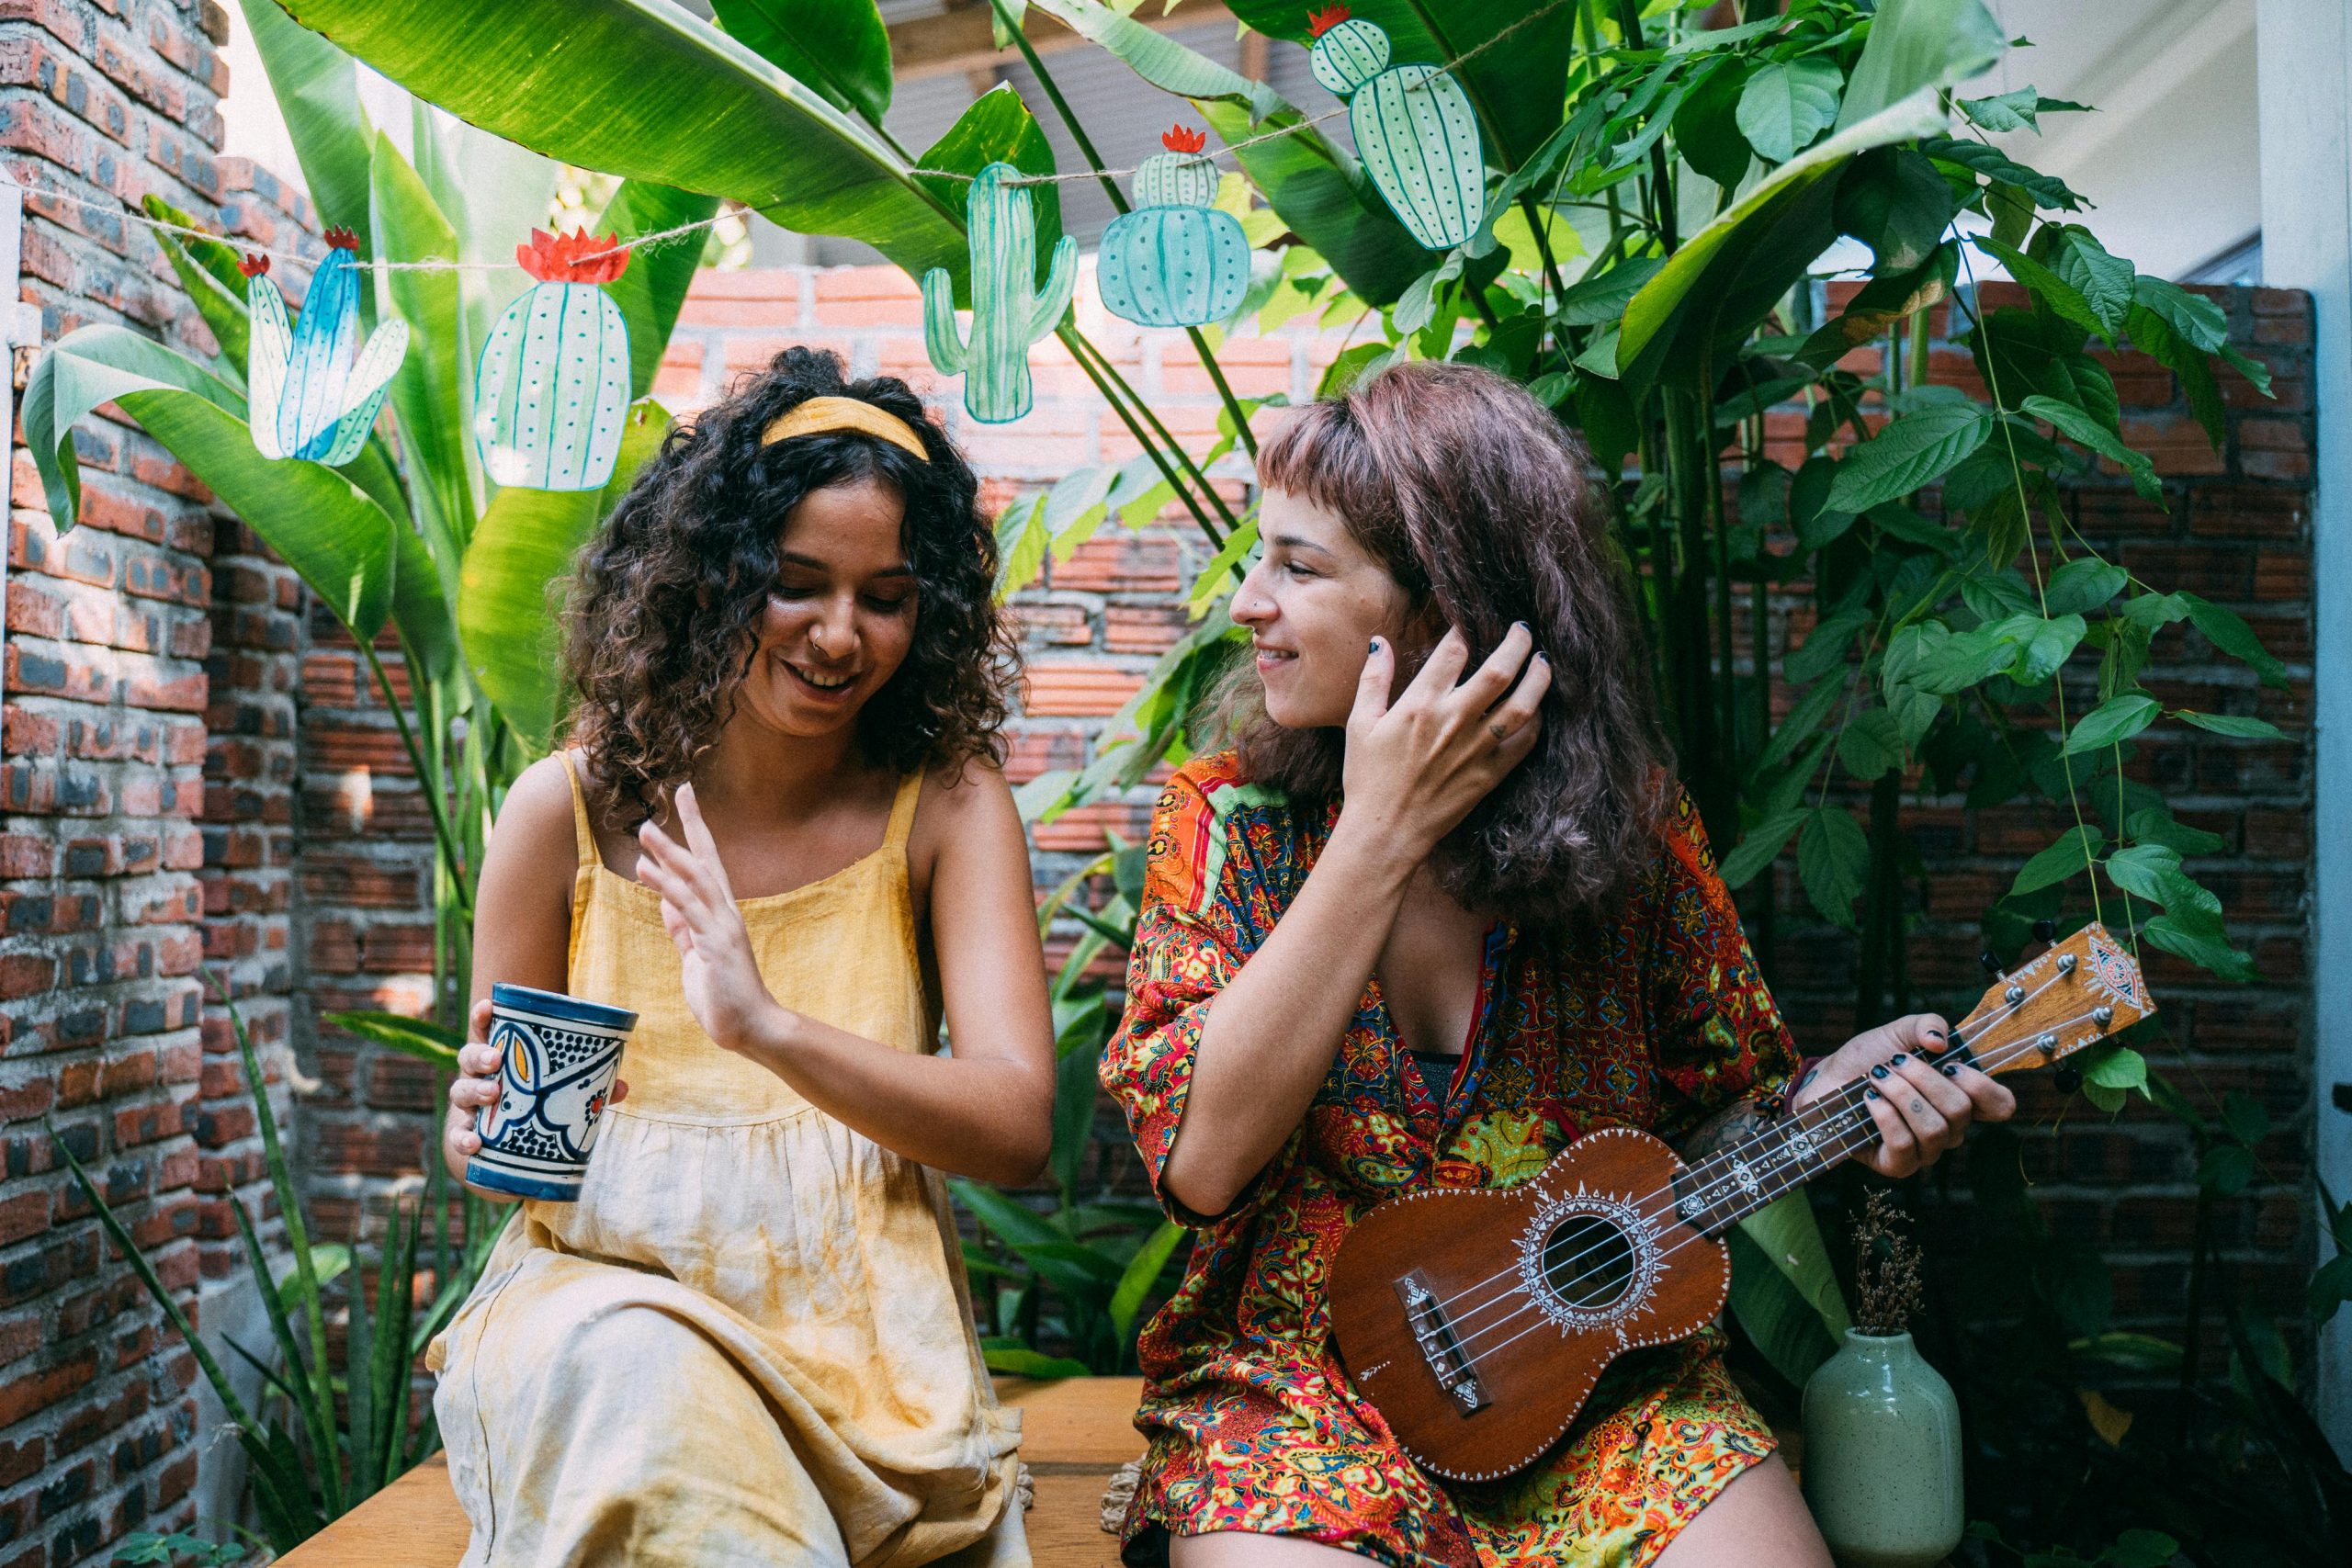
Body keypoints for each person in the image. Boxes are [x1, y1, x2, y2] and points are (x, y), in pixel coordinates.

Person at [1100, 361, 2017, 1568]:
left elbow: (1717, 1115)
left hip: (1597, 1385)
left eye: (1298, 567)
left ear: (1443, 608)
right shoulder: (1224, 824)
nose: (1247, 603)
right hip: (1300, 1392)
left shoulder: (1638, 831)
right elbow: (1202, 1165)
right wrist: (1380, 828)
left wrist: (1832, 1105)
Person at [431, 348, 1056, 1567]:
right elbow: (509, 1157)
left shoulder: (944, 807)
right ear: (712, 577)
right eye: (795, 584)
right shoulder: (564, 811)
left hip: (863, 1364)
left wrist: (765, 1027)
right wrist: (476, 1132)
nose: (840, 635)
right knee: (645, 1384)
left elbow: (1018, 1126)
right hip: (595, 1321)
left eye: (886, 597)